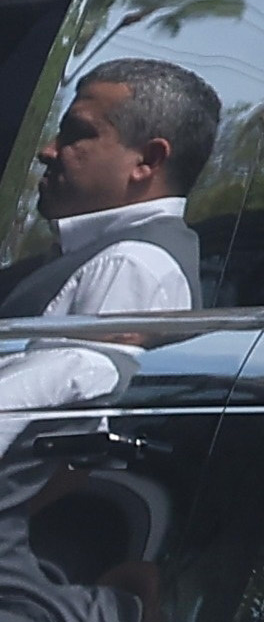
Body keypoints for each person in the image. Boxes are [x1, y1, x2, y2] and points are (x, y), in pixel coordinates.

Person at [0, 58, 220, 414]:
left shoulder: (128, 267)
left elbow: (62, 426)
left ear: (146, 160)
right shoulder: (104, 257)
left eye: (77, 133)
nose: (48, 150)